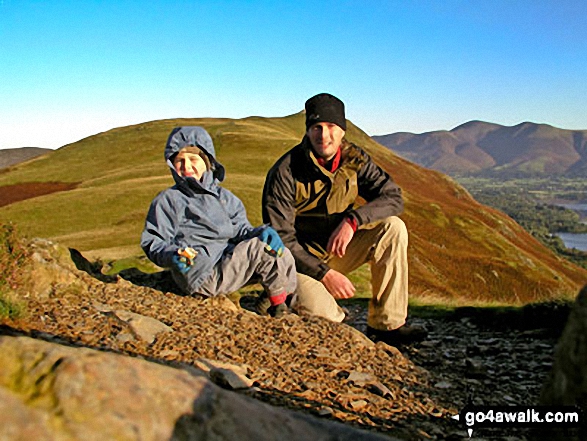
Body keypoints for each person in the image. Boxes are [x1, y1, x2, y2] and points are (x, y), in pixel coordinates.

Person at [262, 93, 425, 344]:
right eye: (316, 127)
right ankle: (280, 295)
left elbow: (393, 197)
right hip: (298, 264)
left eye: (331, 127)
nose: (323, 135)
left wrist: (353, 220)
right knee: (329, 323)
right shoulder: (285, 171)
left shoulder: (355, 161)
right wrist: (324, 274)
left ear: (342, 131)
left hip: (335, 251)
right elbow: (280, 239)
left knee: (394, 228)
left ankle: (386, 327)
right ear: (307, 131)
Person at [141, 126, 296, 316]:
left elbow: (241, 230)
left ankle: (276, 301)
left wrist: (261, 232)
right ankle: (279, 310)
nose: (186, 166)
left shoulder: (225, 197)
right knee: (259, 250)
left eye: (193, 159)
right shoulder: (169, 199)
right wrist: (173, 255)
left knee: (279, 250)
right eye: (179, 161)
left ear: (207, 162)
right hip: (200, 273)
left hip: (224, 263)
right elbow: (153, 241)